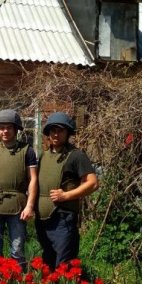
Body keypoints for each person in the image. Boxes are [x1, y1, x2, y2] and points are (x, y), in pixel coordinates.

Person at [35, 112, 98, 270]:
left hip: (63, 217)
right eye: (53, 130)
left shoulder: (76, 156)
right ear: (48, 133)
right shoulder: (44, 155)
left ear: (68, 133)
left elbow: (92, 183)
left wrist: (66, 195)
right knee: (48, 258)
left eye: (60, 131)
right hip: (43, 217)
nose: (56, 134)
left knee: (64, 262)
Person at [0, 109, 38, 267]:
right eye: (2, 127)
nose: (5, 131)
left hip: (18, 205)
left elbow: (33, 179)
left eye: (9, 127)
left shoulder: (27, 151)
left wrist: (30, 206)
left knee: (17, 249)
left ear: (16, 129)